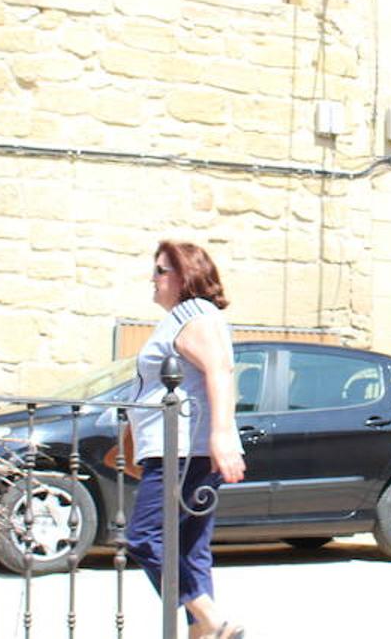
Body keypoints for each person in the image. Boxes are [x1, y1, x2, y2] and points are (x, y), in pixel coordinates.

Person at [126, 241, 247, 639]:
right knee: (190, 548)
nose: (153, 278)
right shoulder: (182, 317)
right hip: (175, 448)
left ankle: (213, 621)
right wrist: (129, 443)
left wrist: (221, 435)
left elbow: (219, 371)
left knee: (145, 537)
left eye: (161, 270)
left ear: (185, 276)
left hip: (183, 448)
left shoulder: (193, 315)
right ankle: (203, 631)